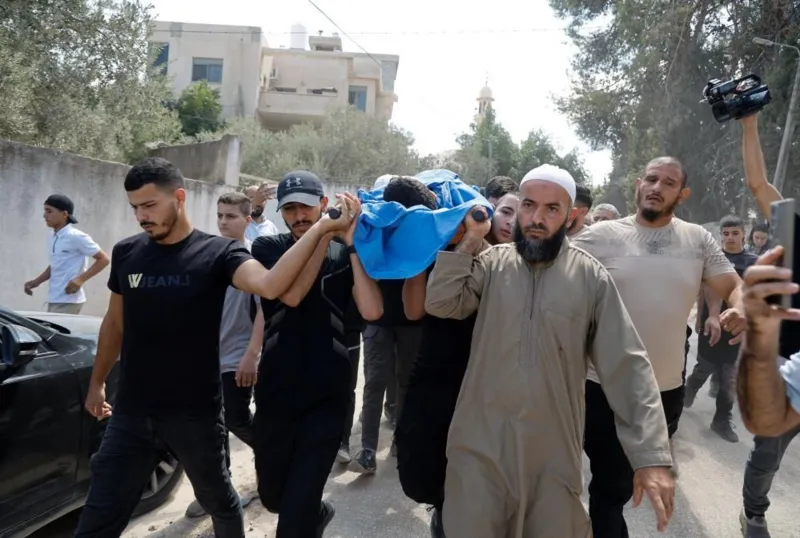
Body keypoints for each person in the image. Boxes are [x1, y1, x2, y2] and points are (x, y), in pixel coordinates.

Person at [76, 157, 348, 538]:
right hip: (131, 414)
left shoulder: (218, 254)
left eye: (150, 205)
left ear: (180, 198)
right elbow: (114, 322)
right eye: (135, 207)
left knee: (219, 502)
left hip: (194, 417)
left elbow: (271, 286)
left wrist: (321, 228)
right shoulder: (126, 252)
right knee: (97, 519)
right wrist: (97, 381)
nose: (142, 216)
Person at [425, 164, 675, 538]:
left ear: (571, 215)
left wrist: (651, 457)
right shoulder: (491, 264)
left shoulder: (590, 277)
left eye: (551, 209)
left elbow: (628, 366)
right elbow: (443, 303)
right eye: (528, 205)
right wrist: (470, 241)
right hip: (480, 446)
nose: (536, 218)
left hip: (553, 451)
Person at [571, 155, 745, 538]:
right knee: (609, 487)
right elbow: (552, 272)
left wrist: (743, 307)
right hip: (603, 387)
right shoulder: (600, 236)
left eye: (668, 183)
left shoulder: (698, 239)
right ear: (638, 184)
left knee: (639, 470)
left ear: (682, 194)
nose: (656, 187)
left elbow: (734, 285)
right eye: (651, 179)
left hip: (665, 388)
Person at [250, 170, 383, 537]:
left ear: (323, 205)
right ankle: (316, 513)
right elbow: (291, 296)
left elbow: (372, 311)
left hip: (327, 399)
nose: (298, 216)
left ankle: (307, 513)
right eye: (289, 209)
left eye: (306, 208)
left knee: (292, 520)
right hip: (276, 395)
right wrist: (323, 234)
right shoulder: (267, 250)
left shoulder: (344, 252)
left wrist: (352, 243)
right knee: (274, 498)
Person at [396, 191, 519, 538]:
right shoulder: (451, 253)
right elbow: (414, 310)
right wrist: (433, 247)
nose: (510, 220)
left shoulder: (522, 268)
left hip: (490, 392)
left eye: (518, 212)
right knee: (429, 480)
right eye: (504, 211)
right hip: (439, 382)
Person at [735, 111, 800, 537]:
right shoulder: (793, 234)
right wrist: (750, 123)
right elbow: (760, 184)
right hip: (782, 367)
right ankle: (753, 512)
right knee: (769, 451)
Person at [184, 192, 266, 518]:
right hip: (207, 361)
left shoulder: (249, 259)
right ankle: (221, 492)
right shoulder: (208, 256)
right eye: (219, 215)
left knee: (236, 419)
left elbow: (264, 311)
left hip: (238, 360)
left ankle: (271, 461)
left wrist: (252, 354)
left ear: (247, 220)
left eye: (230, 216)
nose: (222, 221)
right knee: (210, 429)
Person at [350, 176, 435, 474]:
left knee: (405, 382)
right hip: (378, 319)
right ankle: (368, 450)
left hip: (412, 323)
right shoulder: (375, 226)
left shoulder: (426, 234)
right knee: (374, 382)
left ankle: (401, 439)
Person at [684, 215, 758, 442]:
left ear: (744, 234)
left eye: (735, 233)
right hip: (712, 321)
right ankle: (689, 391)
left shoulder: (754, 262)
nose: (730, 238)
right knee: (704, 366)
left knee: (730, 376)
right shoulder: (715, 258)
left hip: (737, 328)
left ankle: (721, 420)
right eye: (725, 234)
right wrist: (699, 319)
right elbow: (702, 291)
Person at [24, 194, 110, 314]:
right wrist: (36, 282)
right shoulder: (52, 236)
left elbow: (104, 259)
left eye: (49, 211)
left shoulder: (76, 236)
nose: (44, 215)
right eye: (45, 211)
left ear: (64, 214)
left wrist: (80, 280)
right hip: (54, 298)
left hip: (69, 299)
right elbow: (56, 264)